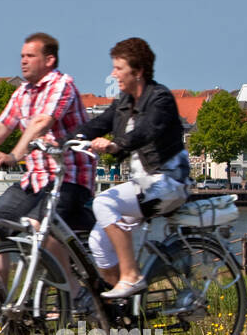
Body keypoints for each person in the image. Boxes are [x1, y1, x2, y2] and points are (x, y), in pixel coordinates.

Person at [0, 32, 95, 327]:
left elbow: (42, 122)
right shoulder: (22, 93)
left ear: (49, 60)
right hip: (35, 180)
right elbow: (1, 125)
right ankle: (1, 304)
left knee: (38, 227)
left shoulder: (62, 85)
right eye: (21, 55)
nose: (23, 60)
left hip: (69, 177)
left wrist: (14, 154)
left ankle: (73, 294)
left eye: (30, 56)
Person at [74, 37, 191, 299]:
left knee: (103, 202)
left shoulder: (160, 99)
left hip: (169, 182)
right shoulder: (124, 102)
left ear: (137, 72)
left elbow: (147, 130)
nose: (113, 74)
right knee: (98, 243)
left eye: (119, 68)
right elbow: (97, 124)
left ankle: (131, 276)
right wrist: (60, 141)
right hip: (144, 185)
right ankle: (127, 305)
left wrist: (117, 145)